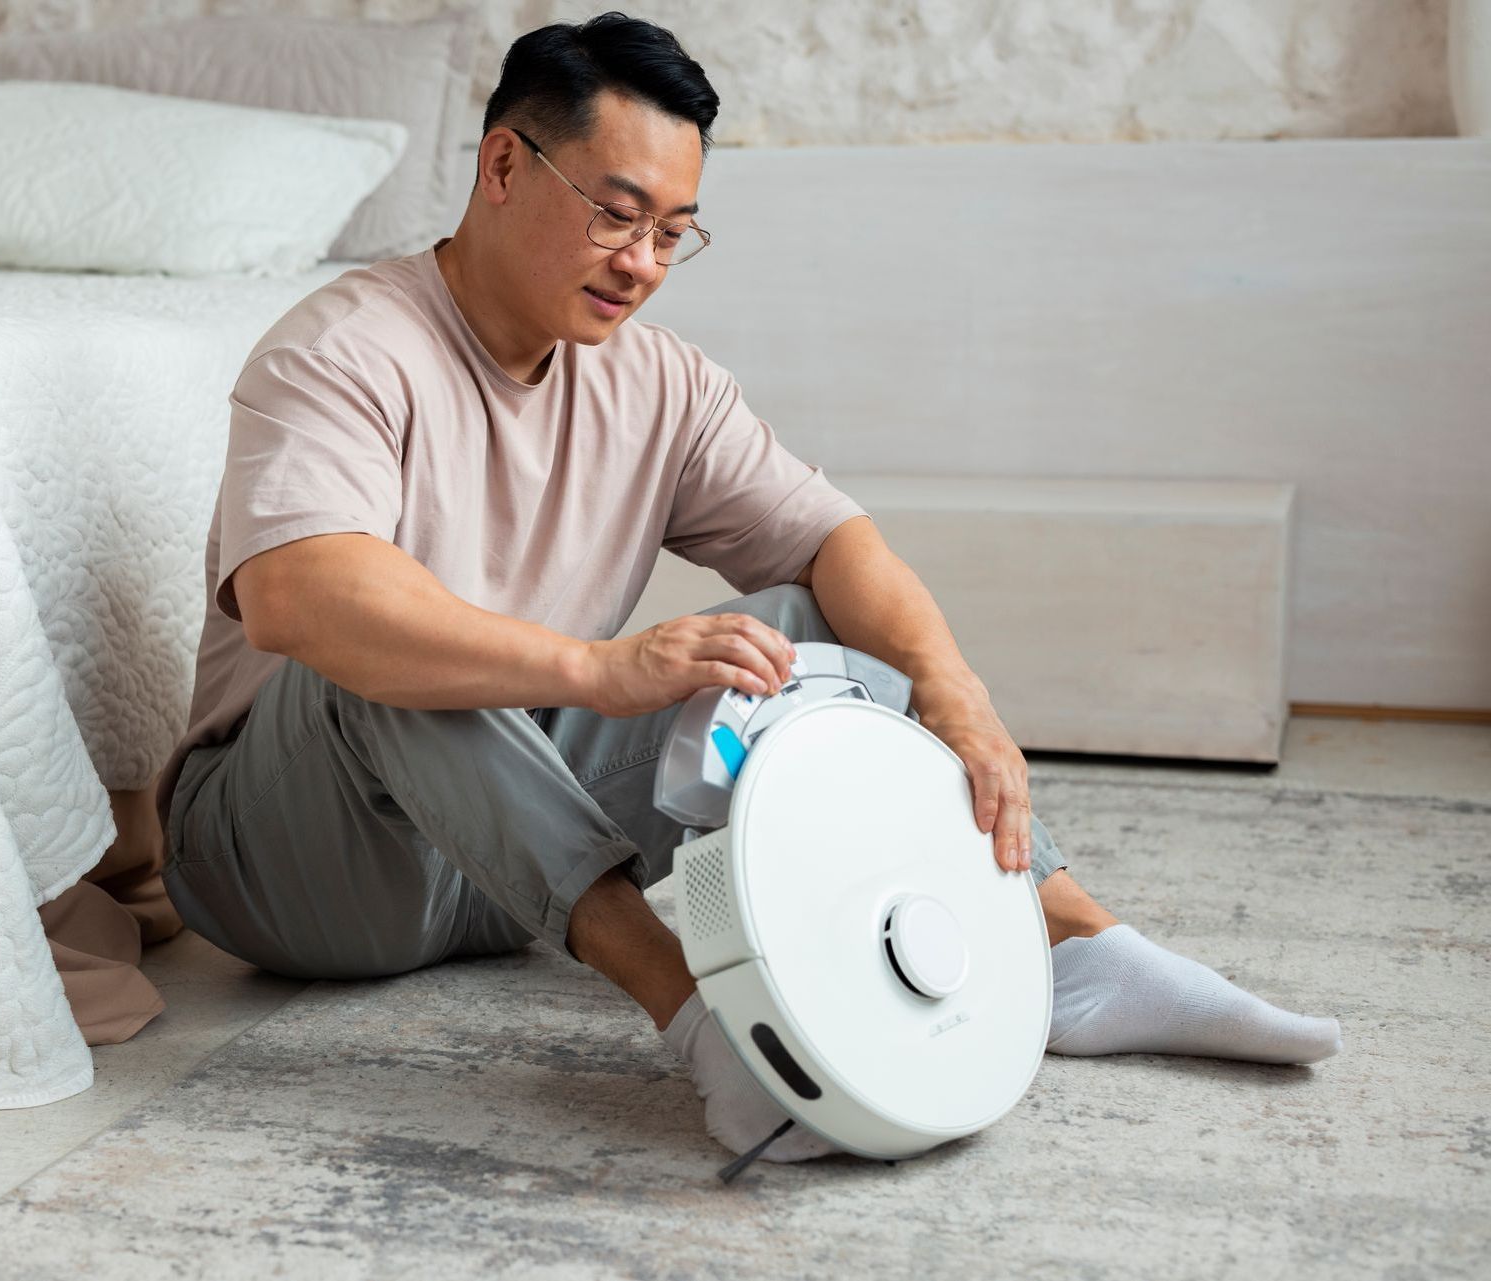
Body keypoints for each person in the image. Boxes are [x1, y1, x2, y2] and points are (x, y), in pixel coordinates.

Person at [155, 12, 1342, 1166]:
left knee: (800, 630)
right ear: (503, 166)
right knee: (399, 660)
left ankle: (1072, 946)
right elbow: (301, 601)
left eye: (674, 232)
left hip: (501, 868)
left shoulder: (658, 384)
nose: (642, 265)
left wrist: (956, 693)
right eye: (617, 216)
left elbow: (835, 544)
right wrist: (594, 670)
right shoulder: (345, 346)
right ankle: (709, 1028)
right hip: (294, 864)